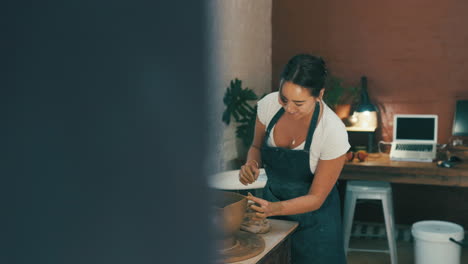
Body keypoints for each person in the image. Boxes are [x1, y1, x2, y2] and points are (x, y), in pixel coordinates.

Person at [238, 54, 350, 264]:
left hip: (315, 224)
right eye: (284, 98)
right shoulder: (269, 105)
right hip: (271, 215)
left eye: (299, 103)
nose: (289, 108)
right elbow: (255, 146)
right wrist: (251, 164)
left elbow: (316, 198)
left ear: (320, 95)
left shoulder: (332, 131)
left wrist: (274, 209)